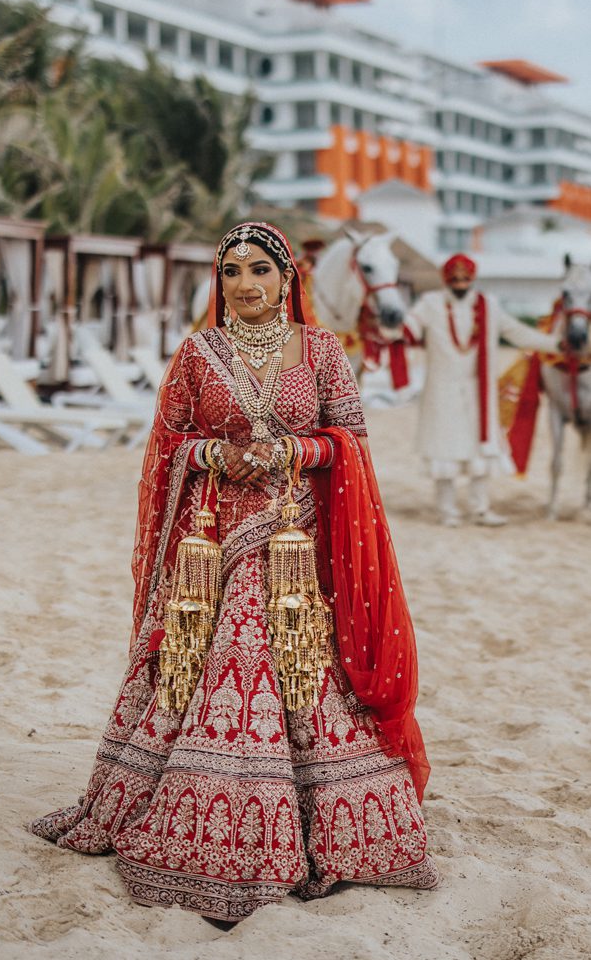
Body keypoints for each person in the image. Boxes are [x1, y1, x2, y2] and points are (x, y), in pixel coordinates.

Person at [31, 222, 438, 922]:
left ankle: (314, 828)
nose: (243, 285)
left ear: (287, 280)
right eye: (229, 271)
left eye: (258, 270)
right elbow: (170, 441)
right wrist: (215, 458)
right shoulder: (196, 353)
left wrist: (289, 454)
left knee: (299, 663)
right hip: (211, 542)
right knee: (213, 659)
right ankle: (216, 825)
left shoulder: (320, 351)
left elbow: (351, 443)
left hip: (295, 541)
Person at [397, 253, 560, 527]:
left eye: (465, 278)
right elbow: (406, 330)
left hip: (478, 391)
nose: (460, 283)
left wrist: (558, 345)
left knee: (481, 448)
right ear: (446, 280)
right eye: (455, 278)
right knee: (443, 447)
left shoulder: (489, 306)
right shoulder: (431, 304)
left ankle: (480, 509)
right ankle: (447, 510)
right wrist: (389, 325)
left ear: (472, 279)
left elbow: (518, 333)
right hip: (441, 390)